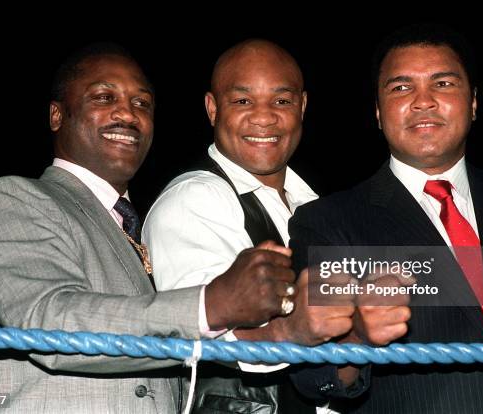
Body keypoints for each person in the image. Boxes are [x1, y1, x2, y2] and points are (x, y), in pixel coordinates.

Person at [0, 43, 300, 413]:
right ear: (57, 115)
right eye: (104, 97)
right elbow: (48, 323)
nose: (127, 112)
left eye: (142, 104)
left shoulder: (129, 226)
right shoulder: (16, 198)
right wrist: (210, 305)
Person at [288, 24, 483, 413]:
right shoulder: (328, 223)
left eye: (443, 83)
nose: (423, 101)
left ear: (474, 102)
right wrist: (359, 339)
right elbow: (316, 378)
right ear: (378, 113)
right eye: (401, 87)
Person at [143, 39, 355, 413]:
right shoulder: (194, 199)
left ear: (302, 106)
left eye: (281, 101)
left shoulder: (314, 204)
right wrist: (291, 330)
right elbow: (200, 335)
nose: (264, 117)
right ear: (212, 109)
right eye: (243, 101)